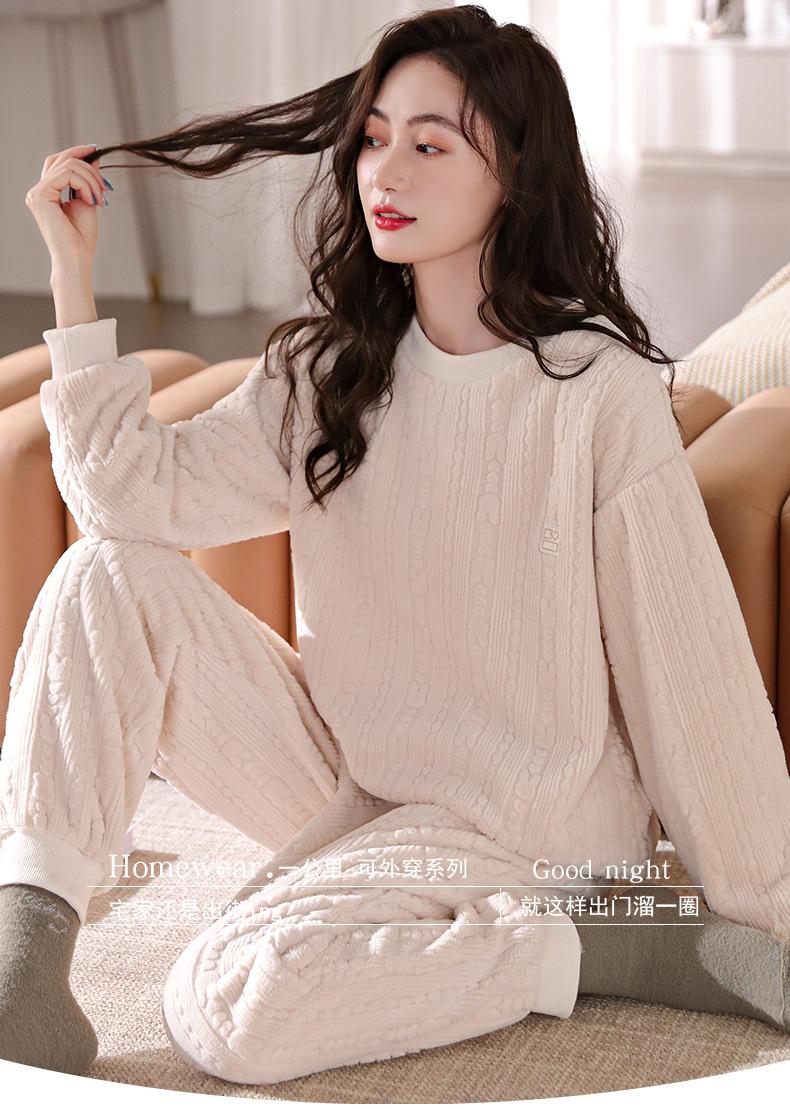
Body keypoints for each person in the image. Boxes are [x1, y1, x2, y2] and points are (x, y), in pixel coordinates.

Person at [2, 2, 788, 1085]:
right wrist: (72, 274)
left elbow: (687, 671)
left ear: (516, 173)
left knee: (226, 1000)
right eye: (374, 139)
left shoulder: (594, 392)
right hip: (359, 782)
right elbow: (124, 501)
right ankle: (25, 966)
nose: (387, 171)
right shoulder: (330, 372)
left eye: (430, 145)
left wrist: (763, 913)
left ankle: (614, 941)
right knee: (103, 574)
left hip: (530, 829)